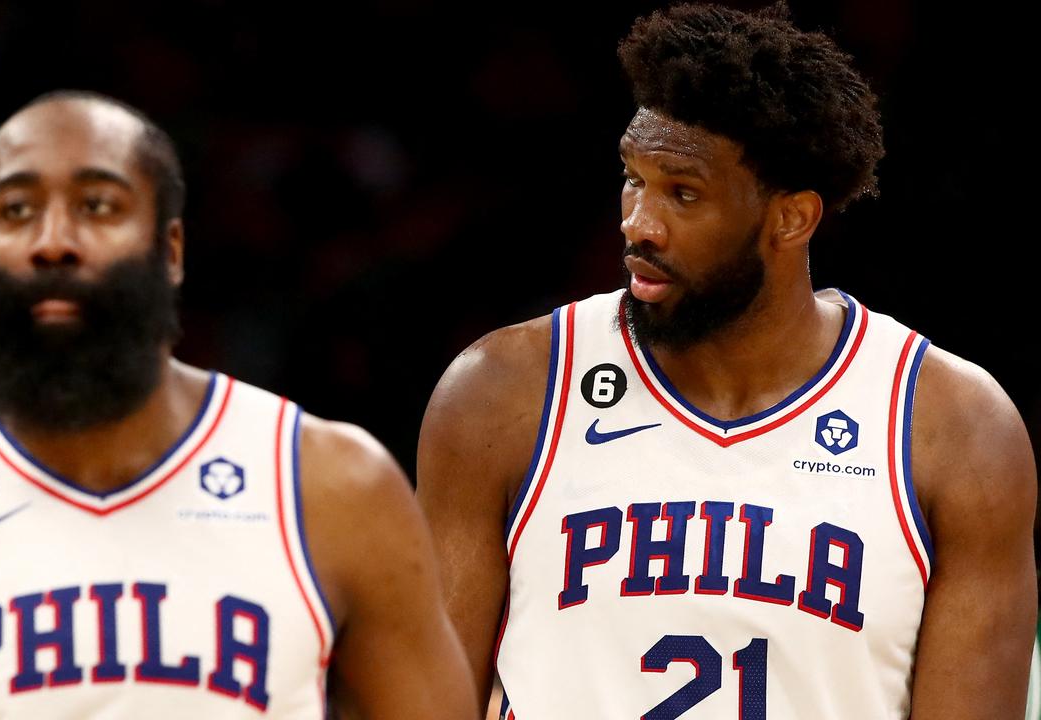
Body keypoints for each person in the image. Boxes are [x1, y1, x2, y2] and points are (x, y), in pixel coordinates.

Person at [0, 91, 477, 719]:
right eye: (16, 211)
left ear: (170, 250)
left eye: (97, 204)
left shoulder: (331, 486)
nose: (53, 241)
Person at [416, 4, 1036, 718]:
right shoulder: (505, 392)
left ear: (792, 217)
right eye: (632, 178)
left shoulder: (953, 427)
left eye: (683, 193)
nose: (639, 223)